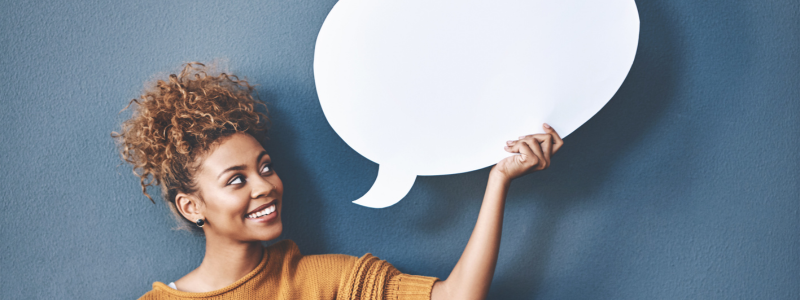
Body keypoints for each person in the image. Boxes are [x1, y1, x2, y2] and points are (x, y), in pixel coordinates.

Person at [113, 62, 564, 300]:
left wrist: (498, 180)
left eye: (266, 167)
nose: (265, 186)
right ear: (192, 206)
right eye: (236, 180)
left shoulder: (321, 281)